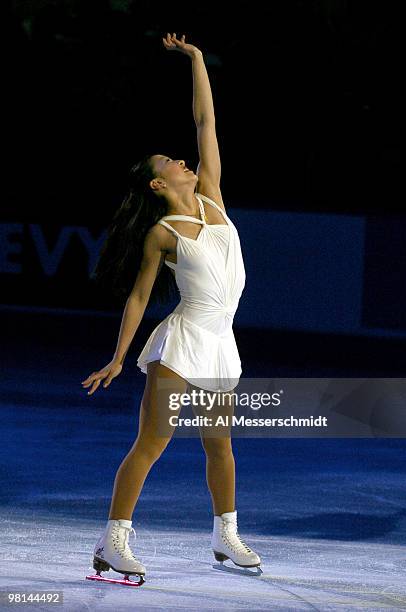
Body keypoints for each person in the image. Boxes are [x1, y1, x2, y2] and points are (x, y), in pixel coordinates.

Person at [82, 33, 261, 582]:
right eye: (172, 162)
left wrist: (198, 60)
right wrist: (119, 357)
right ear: (160, 183)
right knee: (153, 442)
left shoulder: (212, 197)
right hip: (182, 343)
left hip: (220, 343)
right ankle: (113, 541)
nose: (185, 160)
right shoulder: (162, 232)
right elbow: (139, 296)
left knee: (221, 449)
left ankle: (225, 536)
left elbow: (205, 123)